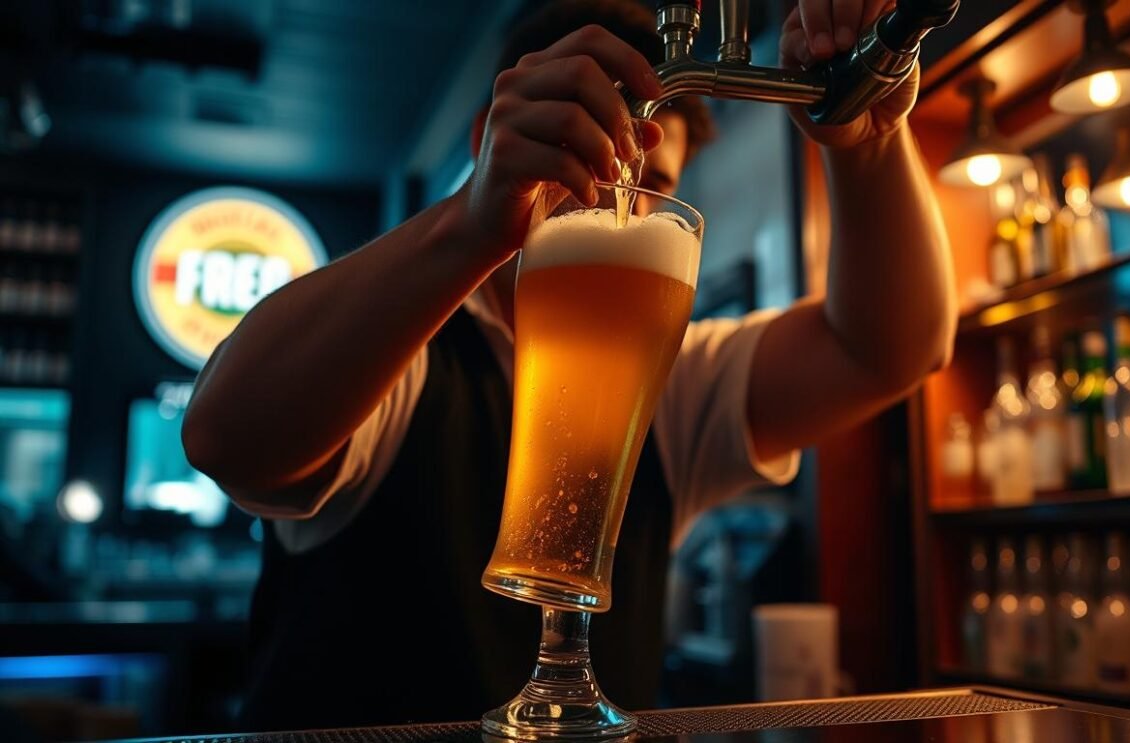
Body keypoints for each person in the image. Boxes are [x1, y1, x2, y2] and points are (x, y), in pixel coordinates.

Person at [182, 0, 955, 731]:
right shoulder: (404, 343)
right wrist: (475, 220)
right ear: (494, 136)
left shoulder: (670, 379)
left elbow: (886, 349)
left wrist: (870, 143)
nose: (619, 204)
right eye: (584, 158)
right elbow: (226, 438)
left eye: (651, 187)